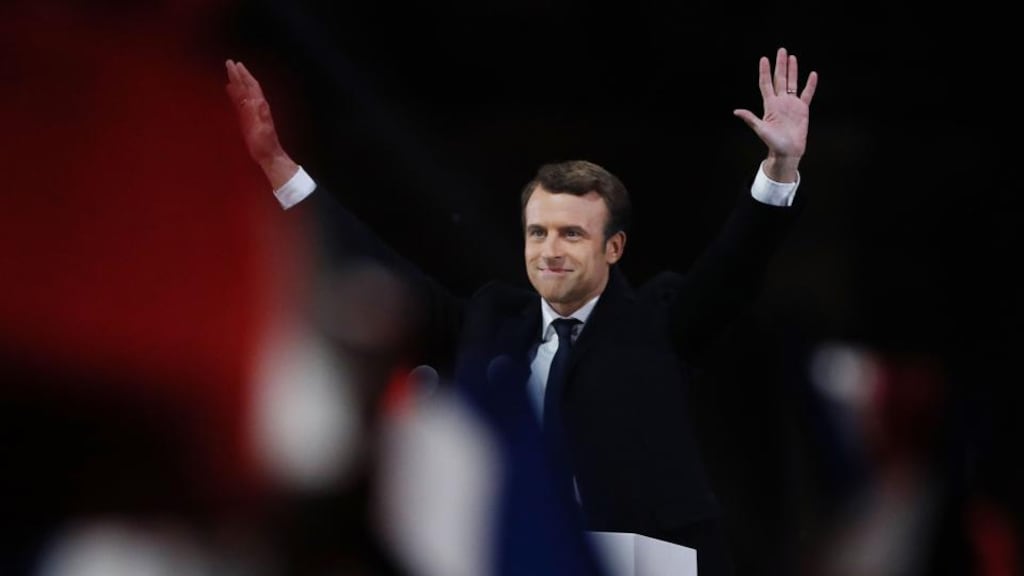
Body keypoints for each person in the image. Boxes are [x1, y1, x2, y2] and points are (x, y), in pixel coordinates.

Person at [225, 47, 818, 576]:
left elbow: (734, 267)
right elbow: (379, 266)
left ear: (612, 248)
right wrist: (279, 166)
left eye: (571, 234)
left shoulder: (660, 315)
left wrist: (779, 170)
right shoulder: (490, 320)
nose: (551, 250)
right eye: (538, 233)